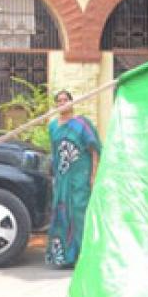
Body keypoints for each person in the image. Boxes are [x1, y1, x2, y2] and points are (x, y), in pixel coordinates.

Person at [45, 89, 100, 267]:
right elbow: (54, 153)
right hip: (62, 178)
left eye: (65, 100)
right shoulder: (53, 126)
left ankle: (83, 256)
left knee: (79, 214)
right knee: (62, 214)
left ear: (72, 102)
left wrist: (93, 175)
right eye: (59, 101)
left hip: (80, 176)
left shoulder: (81, 124)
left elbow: (94, 149)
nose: (62, 103)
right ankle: (64, 257)